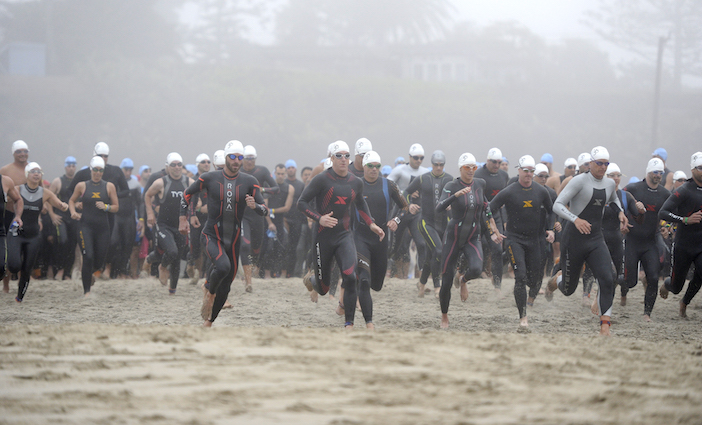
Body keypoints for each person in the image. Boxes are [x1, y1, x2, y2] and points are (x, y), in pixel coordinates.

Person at [180, 140, 268, 327]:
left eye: (240, 157)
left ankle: (209, 322)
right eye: (233, 157)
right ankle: (209, 294)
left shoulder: (250, 181)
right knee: (222, 266)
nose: (237, 161)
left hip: (233, 240)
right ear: (226, 158)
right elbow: (187, 194)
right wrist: (184, 218)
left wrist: (256, 206)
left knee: (227, 285)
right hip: (211, 235)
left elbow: (265, 210)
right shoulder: (210, 178)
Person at [298, 141, 384, 329]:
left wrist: (372, 224)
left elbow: (361, 205)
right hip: (322, 237)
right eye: (339, 156)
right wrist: (318, 218)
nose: (344, 159)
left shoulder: (355, 182)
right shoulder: (322, 179)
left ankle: (349, 325)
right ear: (332, 158)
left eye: (347, 156)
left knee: (350, 276)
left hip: (344, 235)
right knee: (324, 288)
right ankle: (312, 280)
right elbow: (301, 203)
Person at [545, 147, 628, 336]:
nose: (603, 167)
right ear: (590, 163)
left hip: (596, 239)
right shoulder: (579, 181)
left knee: (608, 279)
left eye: (606, 163)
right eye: (599, 163)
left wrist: (621, 212)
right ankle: (555, 281)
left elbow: (614, 199)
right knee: (568, 289)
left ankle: (605, 326)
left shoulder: (608, 184)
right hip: (573, 240)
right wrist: (575, 219)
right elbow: (557, 205)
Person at [436, 152, 503, 329]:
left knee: (476, 268)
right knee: (447, 280)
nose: (471, 170)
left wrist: (492, 225)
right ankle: (444, 316)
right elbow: (439, 207)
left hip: (473, 235)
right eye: (467, 167)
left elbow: (486, 205)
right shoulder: (451, 185)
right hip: (453, 237)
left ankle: (464, 280)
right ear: (460, 168)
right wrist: (455, 195)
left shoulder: (480, 184)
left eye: (474, 167)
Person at [489, 155, 555, 329]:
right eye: (525, 171)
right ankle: (523, 318)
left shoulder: (541, 192)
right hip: (514, 239)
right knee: (520, 277)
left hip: (535, 240)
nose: (528, 174)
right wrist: (493, 230)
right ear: (518, 170)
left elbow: (551, 211)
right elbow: (489, 209)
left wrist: (550, 229)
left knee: (534, 280)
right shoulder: (510, 191)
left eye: (531, 171)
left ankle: (529, 296)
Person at [354, 151, 407, 328]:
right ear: (363, 167)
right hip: (359, 236)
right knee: (364, 279)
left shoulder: (389, 185)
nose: (374, 170)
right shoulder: (355, 185)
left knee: (376, 285)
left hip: (380, 239)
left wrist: (396, 220)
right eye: (371, 166)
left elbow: (404, 207)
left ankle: (353, 292)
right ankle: (369, 324)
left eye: (377, 166)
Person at [8, 163, 68, 302]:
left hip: (33, 235)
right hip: (17, 233)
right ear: (27, 175)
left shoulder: (45, 193)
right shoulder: (17, 189)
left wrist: (64, 206)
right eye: (33, 171)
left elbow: (59, 204)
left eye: (39, 172)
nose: (36, 174)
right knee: (14, 265)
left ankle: (19, 297)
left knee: (27, 268)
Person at [621, 158, 671, 320]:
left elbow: (669, 213)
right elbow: (617, 199)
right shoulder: (634, 188)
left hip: (650, 241)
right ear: (648, 172)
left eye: (661, 173)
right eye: (655, 172)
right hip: (633, 240)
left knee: (654, 277)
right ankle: (613, 282)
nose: (658, 175)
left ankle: (647, 313)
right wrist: (622, 219)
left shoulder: (664, 193)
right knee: (630, 281)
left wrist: (667, 226)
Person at [403, 150, 453, 298]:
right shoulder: (423, 179)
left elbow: (457, 198)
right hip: (426, 222)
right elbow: (406, 192)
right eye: (436, 165)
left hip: (443, 224)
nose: (438, 168)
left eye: (441, 165)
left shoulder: (450, 179)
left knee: (432, 256)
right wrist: (408, 205)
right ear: (431, 164)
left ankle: (422, 285)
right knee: (438, 251)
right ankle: (437, 286)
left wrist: (453, 205)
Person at [658, 152, 702, 318]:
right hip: (684, 245)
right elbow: (663, 212)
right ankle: (667, 285)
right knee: (677, 286)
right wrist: (685, 219)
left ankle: (685, 302)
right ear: (692, 169)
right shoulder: (684, 190)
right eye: (700, 168)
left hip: (700, 243)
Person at [144, 153, 194, 294]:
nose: (177, 167)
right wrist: (150, 213)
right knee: (171, 251)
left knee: (177, 257)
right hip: (164, 225)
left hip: (181, 225)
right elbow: (147, 195)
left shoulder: (188, 182)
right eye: (173, 164)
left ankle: (172, 290)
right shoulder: (161, 182)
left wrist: (194, 211)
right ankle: (162, 267)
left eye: (179, 164)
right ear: (167, 166)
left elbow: (198, 197)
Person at [68, 156, 119, 296]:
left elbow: (116, 207)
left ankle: (88, 274)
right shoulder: (82, 185)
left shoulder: (109, 186)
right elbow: (71, 200)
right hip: (85, 227)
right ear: (91, 170)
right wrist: (73, 212)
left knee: (99, 263)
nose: (97, 173)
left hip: (103, 228)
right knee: (88, 256)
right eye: (95, 170)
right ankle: (87, 292)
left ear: (103, 171)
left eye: (100, 170)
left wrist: (106, 207)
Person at [239, 144, 279, 291]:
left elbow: (276, 189)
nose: (249, 162)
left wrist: (260, 189)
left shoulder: (262, 171)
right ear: (242, 159)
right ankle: (248, 280)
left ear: (255, 159)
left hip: (257, 213)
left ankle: (254, 266)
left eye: (252, 159)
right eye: (247, 159)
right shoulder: (238, 171)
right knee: (244, 245)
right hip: (242, 214)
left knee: (256, 247)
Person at [387, 143, 429, 278]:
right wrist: (406, 193)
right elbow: (387, 186)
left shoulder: (424, 173)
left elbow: (431, 193)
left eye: (421, 158)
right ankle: (393, 273)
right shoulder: (400, 170)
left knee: (422, 243)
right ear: (410, 157)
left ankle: (421, 276)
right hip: (401, 211)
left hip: (416, 213)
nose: (418, 160)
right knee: (396, 245)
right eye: (416, 157)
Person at [602, 163, 638, 307]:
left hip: (618, 238)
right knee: (605, 273)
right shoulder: (599, 193)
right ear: (606, 177)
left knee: (618, 275)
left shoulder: (625, 196)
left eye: (618, 175)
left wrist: (641, 210)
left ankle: (616, 298)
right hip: (600, 238)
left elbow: (637, 218)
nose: (616, 178)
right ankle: (593, 297)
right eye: (612, 175)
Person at [474, 147, 509, 292]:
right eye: (494, 162)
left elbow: (505, 199)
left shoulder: (503, 176)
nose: (496, 165)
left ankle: (497, 285)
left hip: (495, 216)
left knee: (497, 248)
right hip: (478, 215)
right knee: (473, 246)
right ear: (487, 160)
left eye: (499, 162)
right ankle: (462, 272)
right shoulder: (478, 175)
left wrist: (505, 218)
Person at [48, 156, 79, 281]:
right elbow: (47, 199)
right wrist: (52, 215)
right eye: (69, 166)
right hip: (61, 217)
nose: (71, 168)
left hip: (73, 217)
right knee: (63, 241)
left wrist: (78, 206)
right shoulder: (58, 181)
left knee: (72, 245)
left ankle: (67, 272)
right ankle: (59, 270)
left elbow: (80, 199)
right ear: (65, 167)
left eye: (73, 166)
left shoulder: (78, 182)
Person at [263, 163, 294, 278]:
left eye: (282, 174)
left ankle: (283, 273)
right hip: (268, 220)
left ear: (285, 174)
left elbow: (287, 207)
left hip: (280, 220)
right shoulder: (269, 186)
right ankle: (266, 273)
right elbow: (264, 207)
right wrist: (270, 222)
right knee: (268, 247)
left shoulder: (289, 188)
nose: (280, 176)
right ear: (274, 174)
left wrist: (272, 211)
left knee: (283, 247)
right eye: (278, 174)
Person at [186, 153, 212, 285]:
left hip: (210, 219)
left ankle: (204, 275)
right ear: (198, 165)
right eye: (203, 162)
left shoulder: (214, 179)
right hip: (196, 219)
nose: (206, 164)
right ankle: (194, 269)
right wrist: (197, 210)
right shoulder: (193, 181)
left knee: (209, 249)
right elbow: (187, 201)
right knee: (195, 248)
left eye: (208, 162)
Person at [1, 174, 24, 293]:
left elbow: (18, 199)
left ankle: (6, 284)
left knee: (3, 264)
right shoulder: (7, 172)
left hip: (3, 225)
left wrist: (18, 216)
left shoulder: (5, 181)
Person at [284, 159, 306, 277]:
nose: (291, 169)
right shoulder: (284, 184)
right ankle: (283, 271)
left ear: (295, 169)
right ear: (286, 170)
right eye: (289, 168)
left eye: (292, 167)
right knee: (285, 244)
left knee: (295, 247)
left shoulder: (300, 185)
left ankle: (291, 272)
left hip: (297, 219)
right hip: (285, 219)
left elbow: (303, 202)